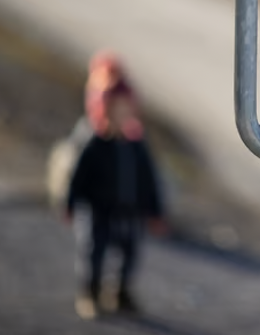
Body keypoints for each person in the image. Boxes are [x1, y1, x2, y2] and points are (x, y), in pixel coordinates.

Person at [65, 52, 166, 319]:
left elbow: (148, 179)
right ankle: (90, 293)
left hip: (129, 211)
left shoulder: (136, 143)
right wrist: (70, 203)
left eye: (126, 107)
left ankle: (119, 293)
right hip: (98, 211)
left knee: (129, 253)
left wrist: (156, 211)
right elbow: (77, 177)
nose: (122, 113)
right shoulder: (93, 142)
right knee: (93, 253)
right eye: (115, 107)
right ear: (102, 107)